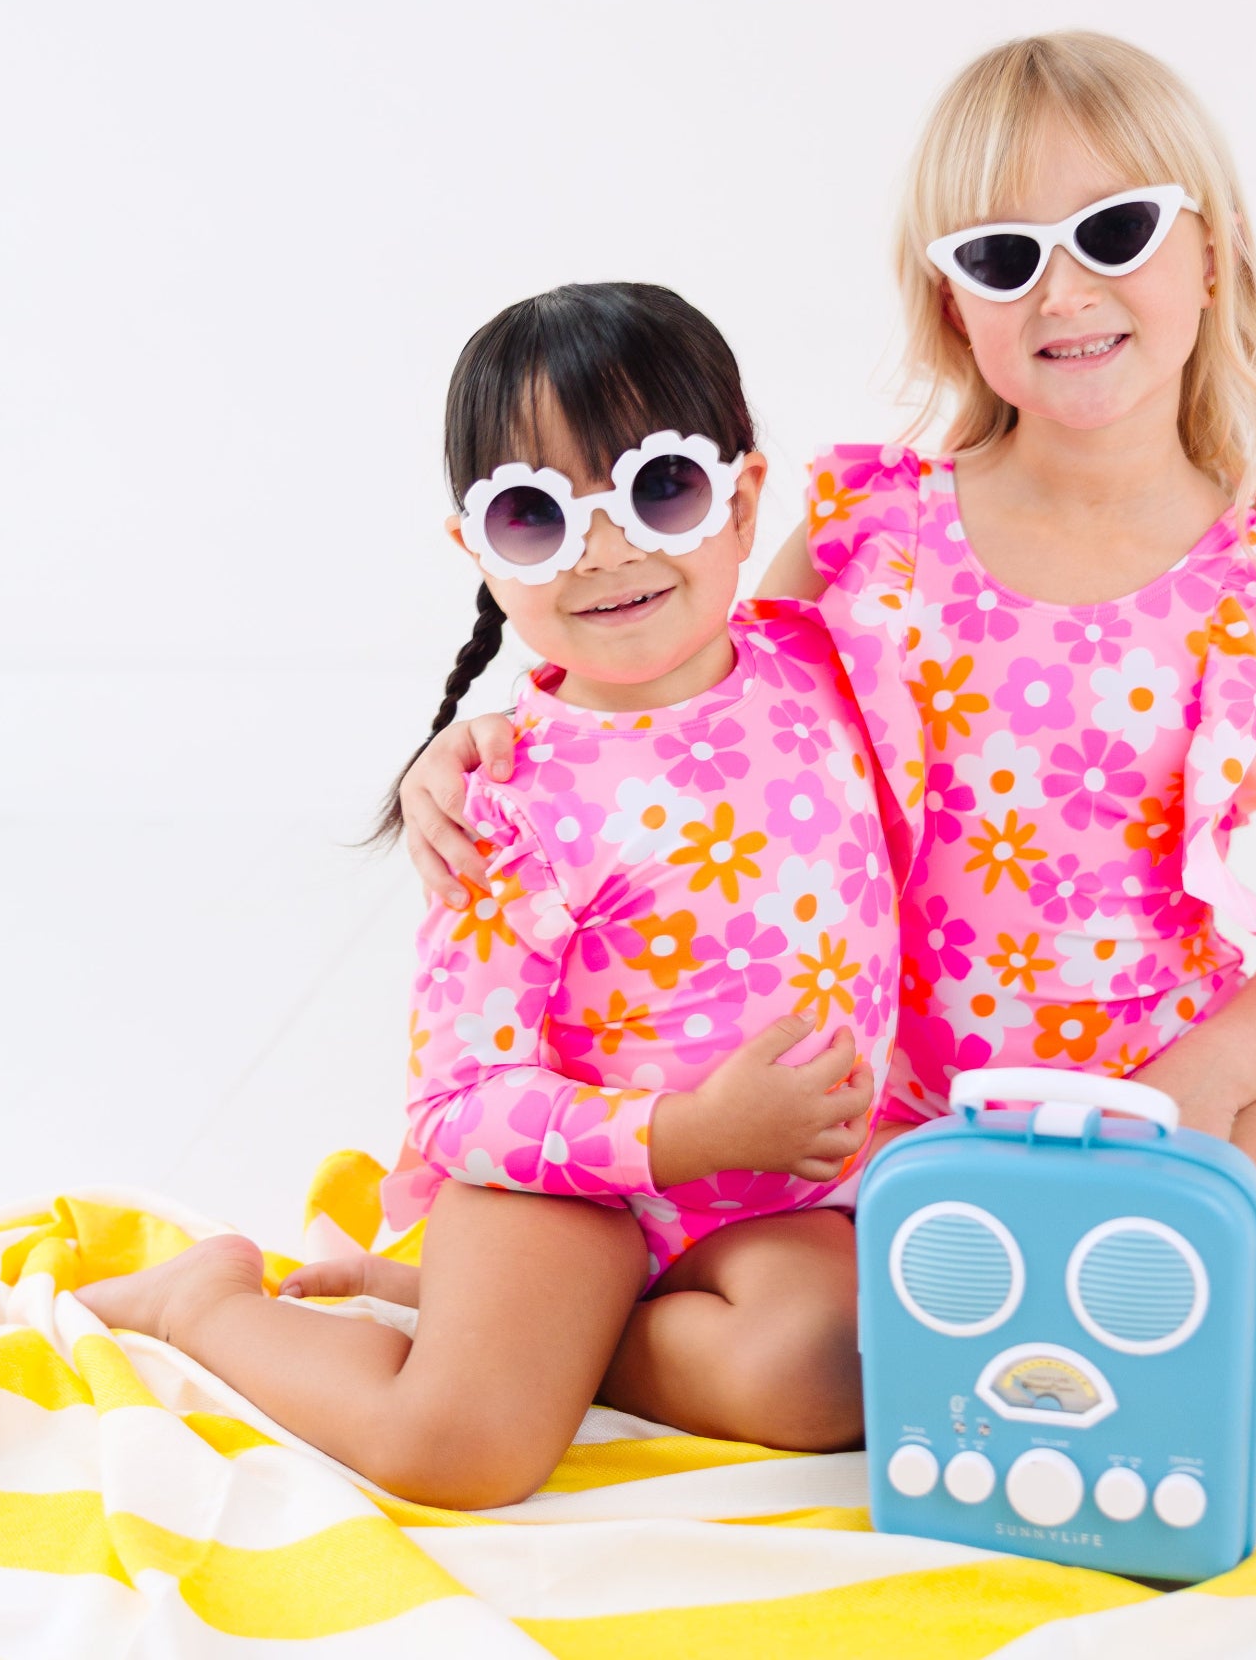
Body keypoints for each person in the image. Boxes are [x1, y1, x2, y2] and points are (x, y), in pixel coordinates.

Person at [397, 35, 1256, 1474]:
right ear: (953, 302)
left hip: (1167, 1076)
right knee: (925, 1375)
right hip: (900, 1119)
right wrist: (486, 732)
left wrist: (1209, 1086)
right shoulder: (876, 539)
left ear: (1213, 256)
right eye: (1003, 255)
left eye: (1114, 233)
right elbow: (685, 695)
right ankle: (532, 1337)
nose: (1064, 289)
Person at [76, 283, 905, 1508]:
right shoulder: (511, 797)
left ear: (740, 499)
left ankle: (506, 1330)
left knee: (828, 1379)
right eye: (538, 516)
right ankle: (208, 1304)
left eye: (659, 490)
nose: (611, 551)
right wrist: (680, 1138)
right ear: (479, 548)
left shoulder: (823, 659)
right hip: (565, 1189)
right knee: (461, 1454)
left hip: (770, 1192)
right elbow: (462, 1103)